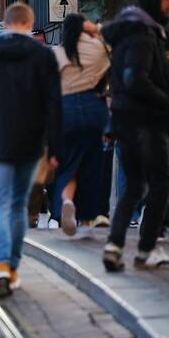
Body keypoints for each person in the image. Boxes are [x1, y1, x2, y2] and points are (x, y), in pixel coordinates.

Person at [0, 2, 62, 299]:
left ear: (5, 24)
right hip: (30, 141)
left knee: (0, 204)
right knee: (18, 205)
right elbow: (54, 104)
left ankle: (1, 265)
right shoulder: (43, 56)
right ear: (29, 25)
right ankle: (12, 265)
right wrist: (56, 147)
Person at [101, 0, 169, 271]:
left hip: (126, 118)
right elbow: (135, 78)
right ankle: (145, 247)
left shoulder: (141, 30)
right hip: (146, 120)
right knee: (163, 182)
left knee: (134, 186)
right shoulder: (142, 34)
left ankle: (114, 244)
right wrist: (166, 100)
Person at [50, 14, 111, 237]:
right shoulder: (98, 48)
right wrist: (94, 28)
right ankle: (87, 217)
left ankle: (67, 201)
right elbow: (113, 37)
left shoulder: (57, 53)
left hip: (66, 109)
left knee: (68, 164)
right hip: (93, 105)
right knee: (92, 165)